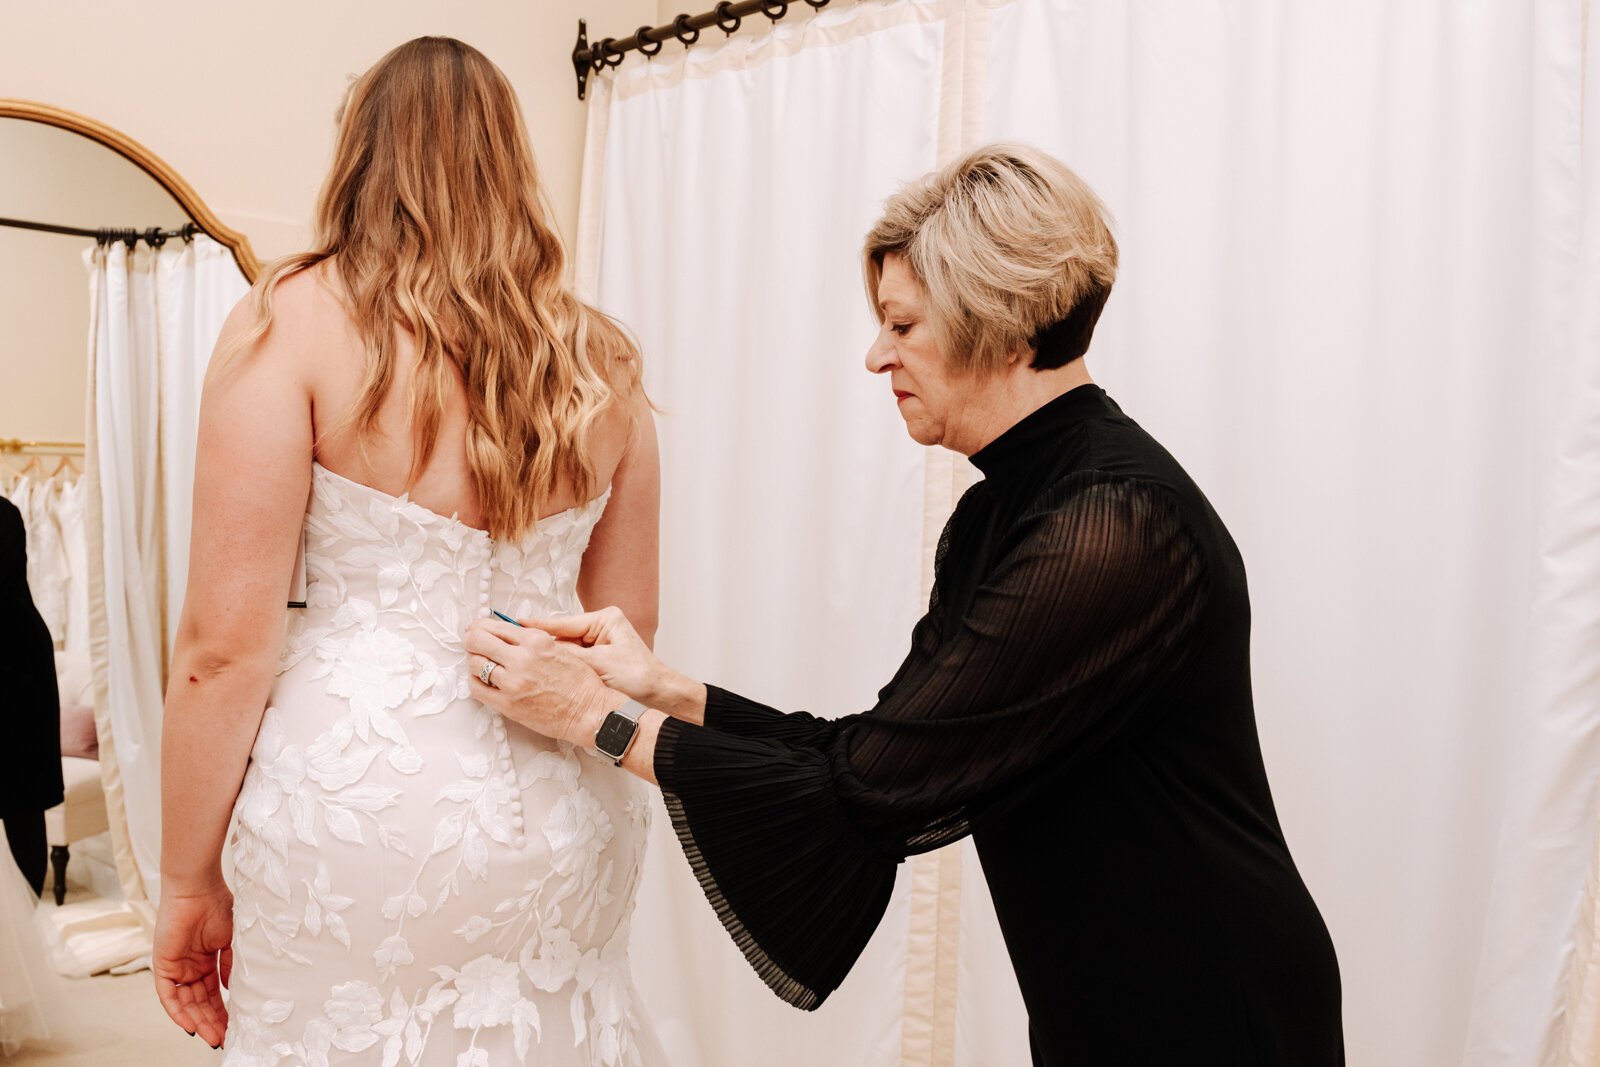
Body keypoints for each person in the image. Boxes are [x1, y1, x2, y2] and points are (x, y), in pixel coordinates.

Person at [467, 144, 1346, 1064]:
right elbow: (880, 746)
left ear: (997, 324)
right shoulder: (1000, 510)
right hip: (1106, 993)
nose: (876, 355)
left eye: (903, 324)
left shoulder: (1109, 528)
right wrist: (661, 688)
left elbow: (872, 791)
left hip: (1208, 1005)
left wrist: (592, 717)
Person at [153, 37, 667, 1066]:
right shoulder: (603, 359)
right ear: (512, 164)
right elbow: (627, 635)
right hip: (563, 800)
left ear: (358, 157)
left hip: (360, 804)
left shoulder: (290, 324)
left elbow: (223, 648)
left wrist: (185, 879)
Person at [0, 494, 63, 899]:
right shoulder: (7, 511)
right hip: (25, 656)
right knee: (24, 806)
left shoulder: (5, 514)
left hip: (17, 668)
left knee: (22, 804)